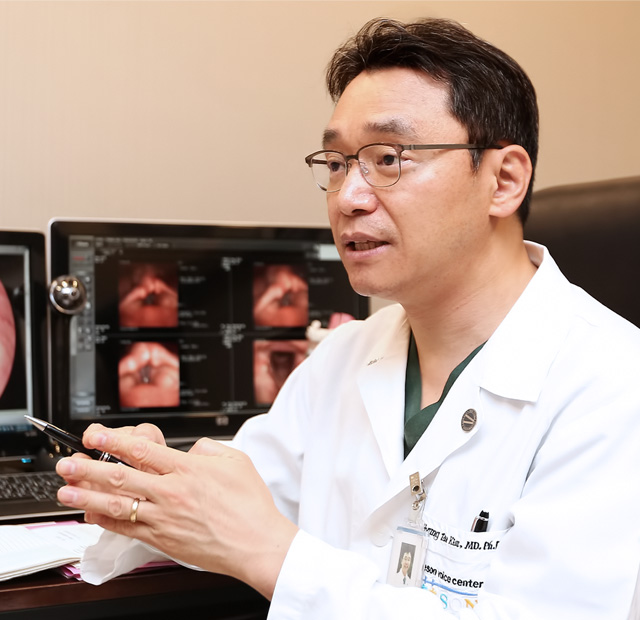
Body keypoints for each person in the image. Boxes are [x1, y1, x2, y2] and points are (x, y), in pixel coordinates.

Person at [54, 17, 640, 619]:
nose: (349, 198)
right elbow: (236, 502)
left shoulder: (613, 386)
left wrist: (270, 554)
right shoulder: (344, 356)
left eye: (388, 158)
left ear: (503, 180)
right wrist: (152, 481)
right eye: (336, 164)